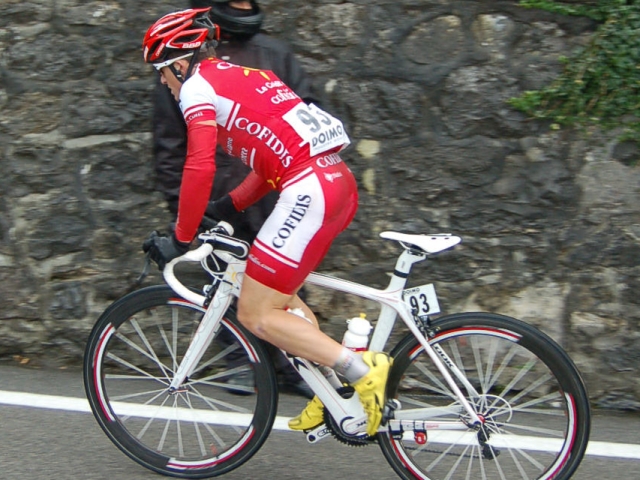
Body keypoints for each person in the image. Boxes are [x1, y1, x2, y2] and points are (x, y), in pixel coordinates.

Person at [142, 8, 392, 437]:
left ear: (179, 64)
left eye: (162, 72)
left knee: (255, 313)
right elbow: (271, 158)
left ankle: (362, 372)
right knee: (283, 299)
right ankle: (334, 393)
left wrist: (181, 238)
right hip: (335, 183)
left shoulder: (197, 87)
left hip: (308, 193)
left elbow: (199, 165)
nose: (163, 82)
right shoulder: (250, 76)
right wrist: (228, 206)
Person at [152, 0, 319, 398]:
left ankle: (300, 366)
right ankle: (241, 362)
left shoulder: (274, 55)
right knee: (226, 284)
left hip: (277, 195)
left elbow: (308, 116)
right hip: (221, 200)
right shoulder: (181, 68)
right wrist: (189, 210)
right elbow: (171, 143)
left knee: (285, 286)